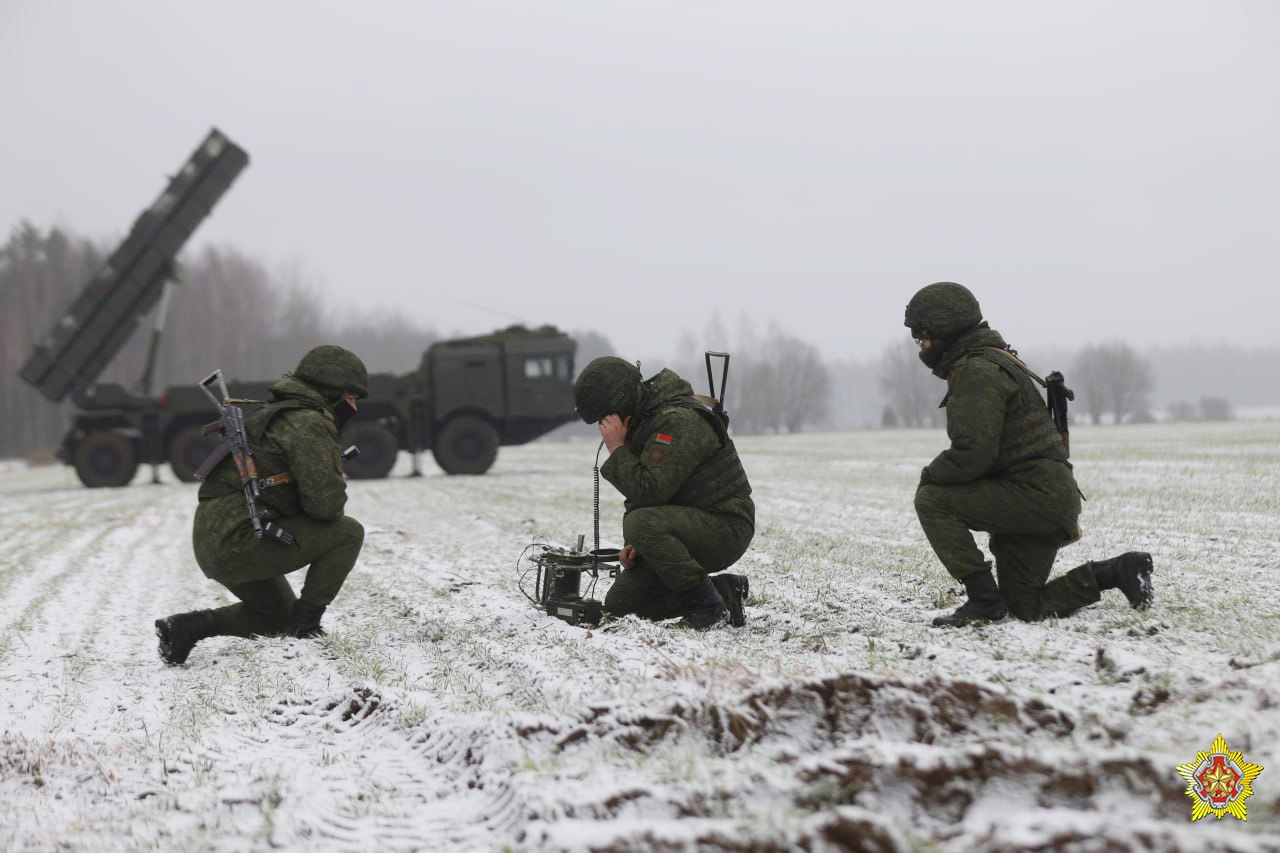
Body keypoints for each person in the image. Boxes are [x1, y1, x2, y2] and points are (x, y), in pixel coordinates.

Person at [903, 282, 1154, 628]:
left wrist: (929, 476)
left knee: (931, 499)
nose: (923, 347)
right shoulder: (995, 359)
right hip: (1047, 499)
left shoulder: (976, 372)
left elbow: (973, 454)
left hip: (1034, 499)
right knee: (1027, 606)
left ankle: (984, 601)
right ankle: (1117, 571)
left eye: (924, 337)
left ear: (945, 331)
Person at [155, 345, 369, 664]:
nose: (354, 407)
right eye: (352, 398)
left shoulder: (276, 414)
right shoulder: (308, 422)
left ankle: (187, 628)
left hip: (218, 540)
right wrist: (332, 472)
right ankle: (306, 626)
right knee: (348, 533)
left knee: (275, 619)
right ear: (334, 391)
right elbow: (326, 508)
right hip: (241, 539)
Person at [573, 356, 754, 628]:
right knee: (621, 604)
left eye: (604, 417)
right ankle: (723, 591)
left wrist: (617, 450)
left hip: (726, 526)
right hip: (690, 523)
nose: (603, 426)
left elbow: (651, 491)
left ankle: (707, 605)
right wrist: (638, 544)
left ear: (619, 404)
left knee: (641, 523)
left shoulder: (678, 421)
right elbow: (654, 495)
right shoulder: (648, 421)